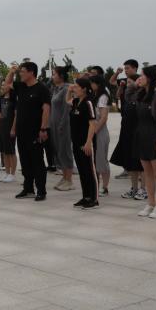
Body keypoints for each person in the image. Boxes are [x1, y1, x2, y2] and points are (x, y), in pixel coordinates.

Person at [12, 62, 52, 201]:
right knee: (25, 161)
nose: (20, 74)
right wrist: (12, 71)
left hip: (35, 132)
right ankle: (28, 188)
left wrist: (43, 128)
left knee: (37, 161)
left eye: (22, 71)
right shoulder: (21, 86)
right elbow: (8, 83)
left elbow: (46, 109)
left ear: (31, 72)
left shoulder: (42, 88)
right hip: (21, 131)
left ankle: (41, 191)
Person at [134, 66, 156, 219]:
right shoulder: (141, 93)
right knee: (147, 172)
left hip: (154, 135)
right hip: (142, 135)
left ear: (150, 78)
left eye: (142, 75)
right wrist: (135, 85)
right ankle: (151, 203)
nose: (139, 78)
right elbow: (127, 96)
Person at [111, 60, 146, 200]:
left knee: (141, 163)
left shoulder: (143, 97)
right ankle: (134, 188)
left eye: (131, 82)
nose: (128, 85)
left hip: (139, 133)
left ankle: (143, 189)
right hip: (127, 132)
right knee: (131, 162)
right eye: (128, 83)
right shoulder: (128, 98)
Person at [69, 76, 100, 209]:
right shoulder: (76, 101)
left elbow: (92, 124)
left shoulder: (88, 103)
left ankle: (94, 199)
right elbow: (67, 101)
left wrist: (88, 142)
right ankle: (86, 196)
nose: (74, 88)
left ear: (84, 89)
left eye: (76, 86)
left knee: (90, 171)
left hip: (86, 142)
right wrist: (69, 90)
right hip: (76, 142)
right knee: (82, 170)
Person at [87, 70, 112, 196]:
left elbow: (103, 117)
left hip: (100, 132)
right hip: (93, 131)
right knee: (94, 160)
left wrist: (95, 131)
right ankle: (96, 184)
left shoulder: (103, 97)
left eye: (92, 83)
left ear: (98, 84)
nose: (90, 85)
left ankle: (105, 187)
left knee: (102, 160)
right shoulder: (94, 95)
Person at [49, 67, 75, 191]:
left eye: (54, 74)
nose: (52, 76)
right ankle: (64, 178)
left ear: (61, 76)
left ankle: (69, 180)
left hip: (63, 125)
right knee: (59, 152)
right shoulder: (56, 89)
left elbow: (67, 108)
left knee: (65, 151)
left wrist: (62, 124)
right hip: (54, 125)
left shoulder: (67, 89)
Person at [0, 74, 18, 183]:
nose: (3, 87)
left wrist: (13, 128)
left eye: (4, 85)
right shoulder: (0, 98)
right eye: (1, 85)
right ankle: (7, 172)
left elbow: (16, 115)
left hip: (10, 127)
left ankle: (12, 174)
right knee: (4, 151)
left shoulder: (14, 100)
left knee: (11, 151)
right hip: (1, 127)